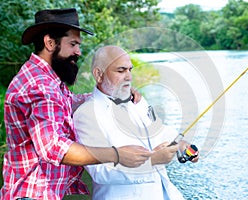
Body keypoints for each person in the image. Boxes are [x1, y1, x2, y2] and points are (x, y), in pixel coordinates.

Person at [0, 8, 151, 200]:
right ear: (50, 43)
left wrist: (114, 92)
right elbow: (53, 146)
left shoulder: (47, 79)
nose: (78, 52)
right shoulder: (40, 86)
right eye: (73, 44)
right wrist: (117, 155)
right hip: (32, 195)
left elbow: (68, 103)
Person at [73, 45, 199, 200]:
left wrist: (181, 144)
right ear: (99, 74)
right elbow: (100, 172)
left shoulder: (138, 101)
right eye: (121, 70)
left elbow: (158, 130)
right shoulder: (86, 114)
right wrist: (152, 161)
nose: (129, 77)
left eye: (130, 70)